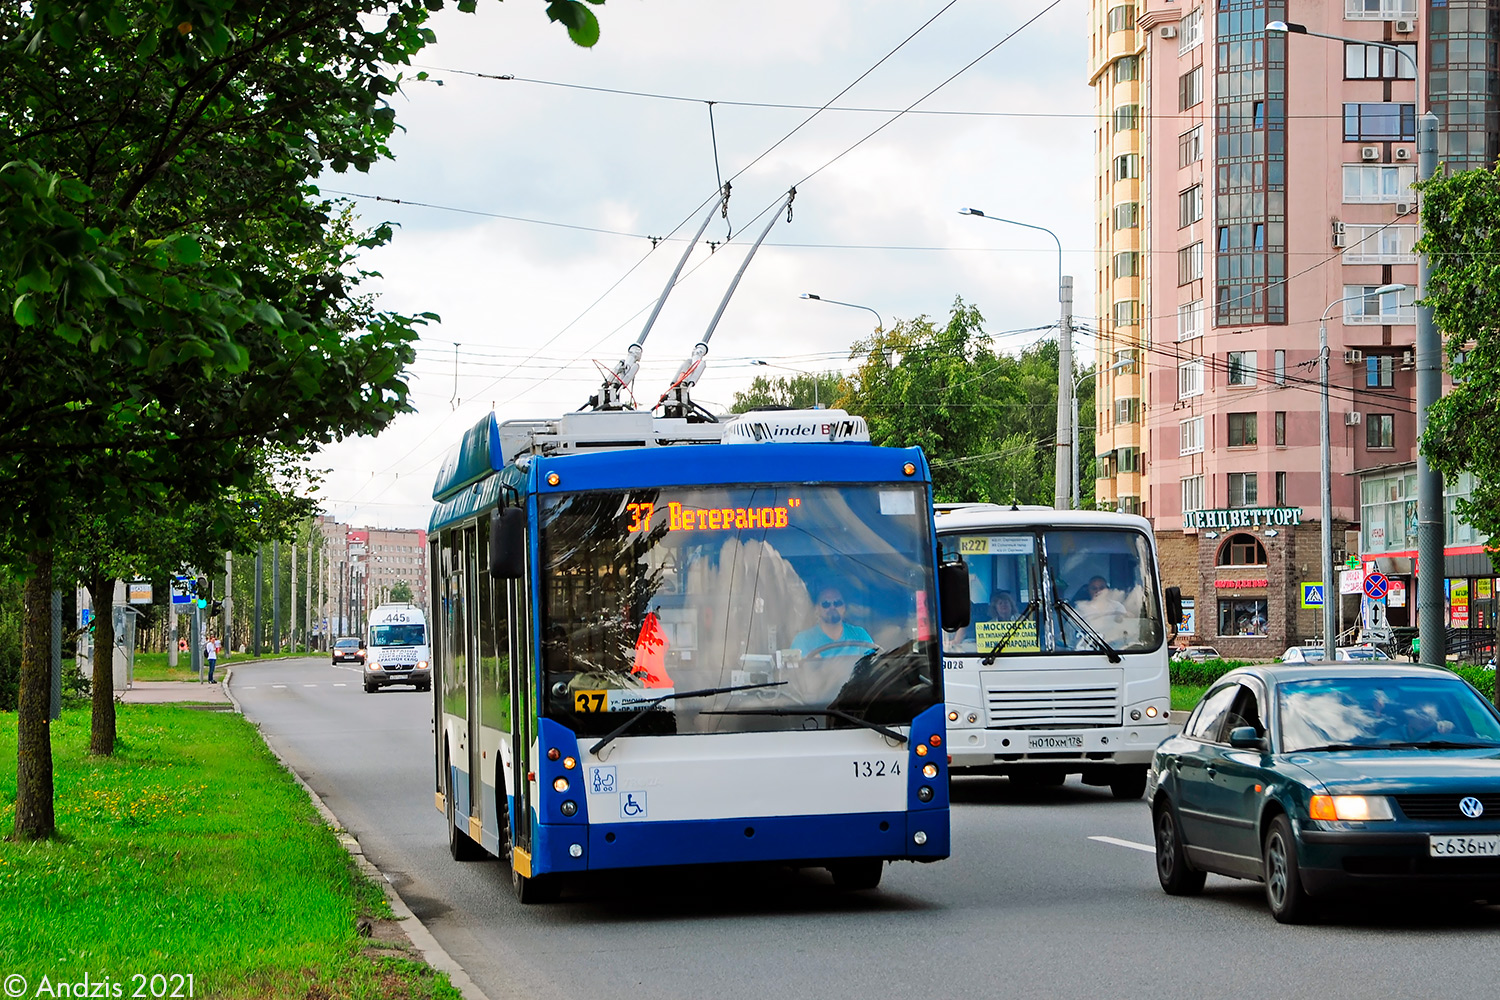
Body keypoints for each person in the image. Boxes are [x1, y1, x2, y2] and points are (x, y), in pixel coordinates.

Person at [792, 585, 875, 658]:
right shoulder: (803, 640)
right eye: (826, 604)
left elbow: (874, 665)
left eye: (837, 603)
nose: (832, 607)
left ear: (844, 608)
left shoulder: (859, 635)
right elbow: (796, 673)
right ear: (817, 609)